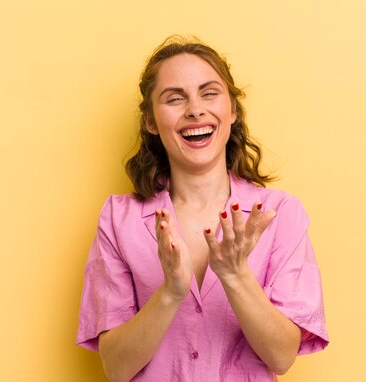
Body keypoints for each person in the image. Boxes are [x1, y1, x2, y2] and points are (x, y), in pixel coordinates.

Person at [76, 36, 329, 381]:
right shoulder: (119, 219)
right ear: (150, 121)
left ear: (233, 110)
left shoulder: (280, 214)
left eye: (209, 93)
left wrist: (235, 275)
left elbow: (282, 356)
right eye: (174, 98)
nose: (195, 109)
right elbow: (116, 368)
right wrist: (170, 292)